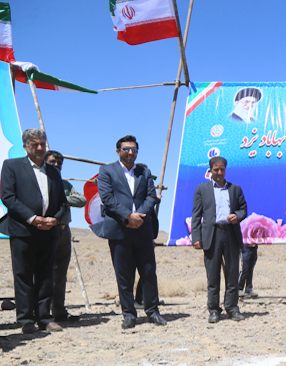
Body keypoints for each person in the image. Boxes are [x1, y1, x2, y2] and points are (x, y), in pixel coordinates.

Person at [92, 135, 165, 329]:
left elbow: (151, 196)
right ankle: (129, 314)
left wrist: (138, 216)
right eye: (126, 149)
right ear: (118, 151)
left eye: (134, 149)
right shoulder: (107, 170)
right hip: (119, 229)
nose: (130, 152)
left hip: (142, 229)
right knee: (124, 274)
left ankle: (152, 312)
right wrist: (127, 216)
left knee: (148, 272)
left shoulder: (144, 172)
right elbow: (107, 197)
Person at [0, 128, 67, 333]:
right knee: (24, 275)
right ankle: (26, 319)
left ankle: (44, 318)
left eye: (42, 144)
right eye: (35, 144)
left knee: (46, 276)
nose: (39, 148)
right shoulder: (11, 166)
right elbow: (8, 197)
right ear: (25, 146)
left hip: (49, 231)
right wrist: (33, 218)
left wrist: (55, 219)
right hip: (23, 230)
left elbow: (63, 203)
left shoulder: (53, 172)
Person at [191, 157, 247, 323]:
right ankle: (214, 310)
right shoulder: (202, 189)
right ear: (210, 170)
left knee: (232, 274)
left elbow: (243, 209)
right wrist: (196, 237)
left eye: (222, 169)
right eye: (216, 169)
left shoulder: (235, 189)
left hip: (231, 234)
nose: (219, 172)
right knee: (213, 276)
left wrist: (237, 215)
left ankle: (232, 308)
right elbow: (196, 215)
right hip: (212, 235)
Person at [44, 150, 86, 323]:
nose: (56, 165)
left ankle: (59, 311)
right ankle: (41, 312)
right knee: (43, 272)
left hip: (64, 231)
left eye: (59, 163)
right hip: (46, 230)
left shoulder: (65, 184)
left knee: (60, 273)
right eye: (52, 162)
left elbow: (81, 200)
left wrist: (63, 199)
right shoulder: (40, 182)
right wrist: (65, 200)